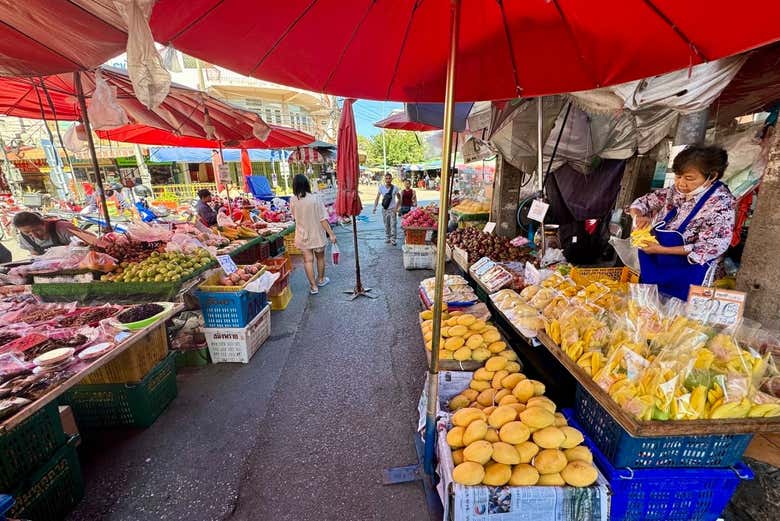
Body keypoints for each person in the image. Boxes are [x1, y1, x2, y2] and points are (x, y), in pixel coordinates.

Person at [630, 144, 735, 300]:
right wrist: (638, 216)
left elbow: (711, 246)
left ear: (712, 176)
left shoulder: (721, 204)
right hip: (657, 266)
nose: (681, 183)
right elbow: (642, 203)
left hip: (690, 274)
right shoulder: (675, 191)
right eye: (678, 176)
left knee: (678, 317)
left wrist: (662, 250)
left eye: (689, 178)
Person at [290, 174, 337, 295]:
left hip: (302, 234)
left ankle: (313, 286)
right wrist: (331, 234)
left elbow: (294, 217)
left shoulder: (293, 200)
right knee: (320, 257)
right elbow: (323, 218)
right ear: (307, 184)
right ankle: (321, 280)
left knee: (307, 261)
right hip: (317, 234)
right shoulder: (316, 198)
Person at [13, 211, 102, 255]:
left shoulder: (63, 228)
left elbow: (92, 244)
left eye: (37, 230)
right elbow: (35, 256)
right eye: (27, 232)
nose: (34, 235)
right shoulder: (24, 238)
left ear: (44, 223)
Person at [373, 173, 401, 245]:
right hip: (384, 210)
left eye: (389, 178)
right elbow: (377, 197)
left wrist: (396, 208)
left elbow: (399, 198)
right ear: (384, 179)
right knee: (386, 225)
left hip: (392, 209)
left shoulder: (395, 188)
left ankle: (393, 239)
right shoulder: (381, 188)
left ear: (391, 179)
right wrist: (374, 207)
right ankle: (387, 237)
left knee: (393, 225)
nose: (388, 180)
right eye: (386, 178)